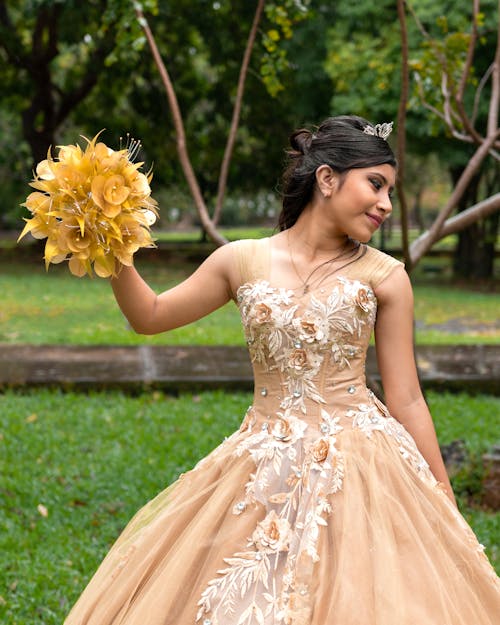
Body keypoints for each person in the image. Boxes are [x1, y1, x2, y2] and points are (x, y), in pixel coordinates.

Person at [64, 115, 499, 625]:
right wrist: (108, 237)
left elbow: (406, 399)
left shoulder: (386, 277)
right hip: (263, 461)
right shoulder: (241, 260)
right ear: (328, 178)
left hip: (364, 465)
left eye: (390, 190)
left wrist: (440, 497)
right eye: (375, 184)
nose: (385, 204)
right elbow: (150, 316)